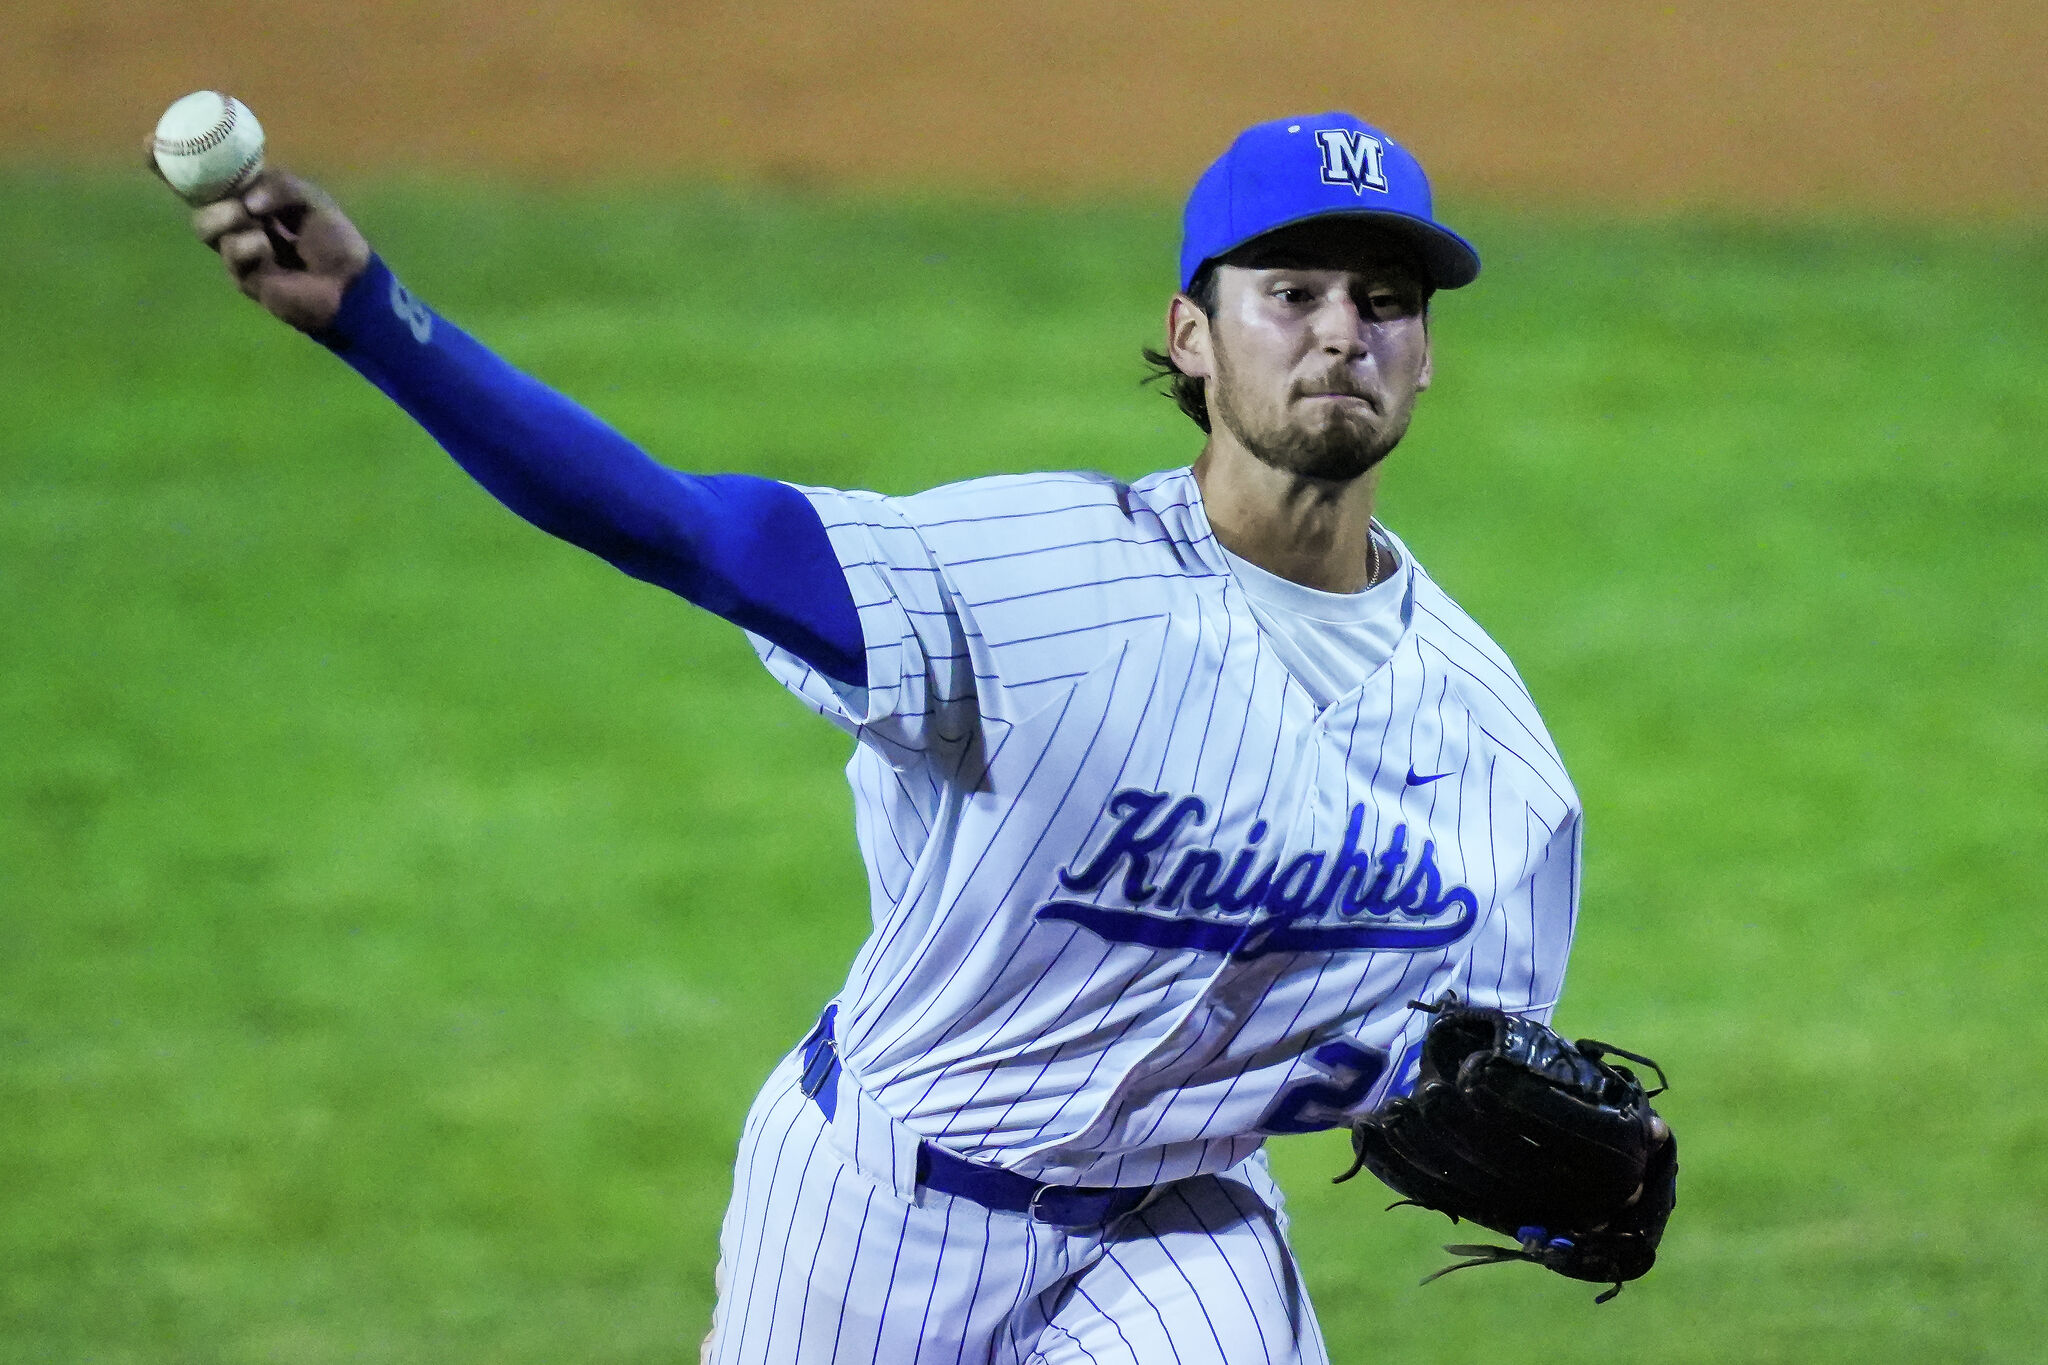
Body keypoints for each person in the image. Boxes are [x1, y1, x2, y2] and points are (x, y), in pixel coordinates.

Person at [184, 111, 1580, 1364]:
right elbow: (687, 531)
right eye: (1292, 293)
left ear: (1425, 356)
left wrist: (1580, 1189)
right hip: (875, 1208)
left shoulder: (1498, 756)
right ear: (1190, 336)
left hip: (1177, 1226)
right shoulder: (1030, 580)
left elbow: (1476, 1077)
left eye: (1385, 302)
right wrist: (375, 321)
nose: (1343, 332)